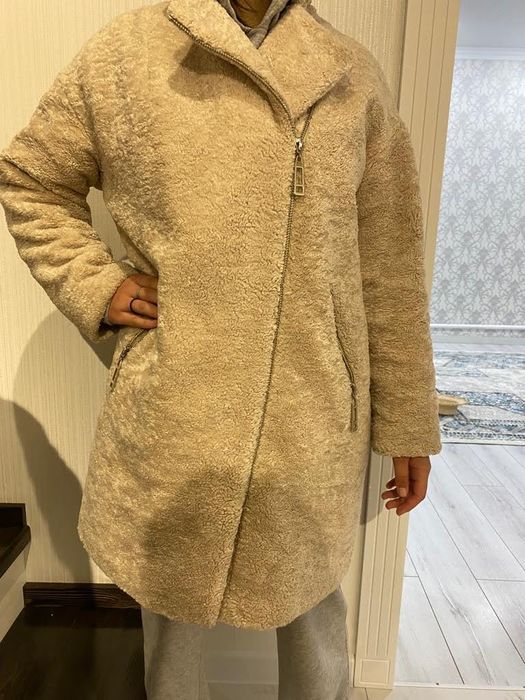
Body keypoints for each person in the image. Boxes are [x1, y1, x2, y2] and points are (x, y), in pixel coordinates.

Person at [0, 0, 442, 697]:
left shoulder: (350, 74)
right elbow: (32, 180)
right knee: (170, 611)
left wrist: (408, 422)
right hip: (179, 402)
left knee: (313, 608)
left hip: (312, 408)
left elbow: (388, 265)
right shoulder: (128, 56)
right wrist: (97, 284)